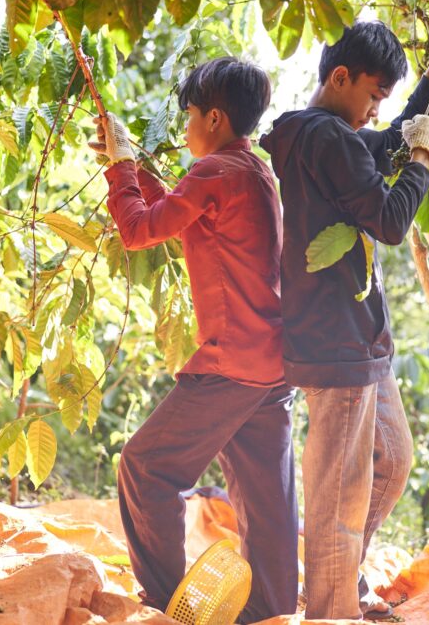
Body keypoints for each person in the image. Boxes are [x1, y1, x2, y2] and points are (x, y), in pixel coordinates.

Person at [258, 16, 429, 621]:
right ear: (341, 76)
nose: (378, 111)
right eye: (374, 96)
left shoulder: (329, 135)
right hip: (337, 344)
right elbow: (391, 220)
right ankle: (330, 608)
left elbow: (389, 141)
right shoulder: (324, 139)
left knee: (390, 463)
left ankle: (335, 580)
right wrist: (425, 162)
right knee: (338, 498)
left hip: (358, 341)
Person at [89, 57, 298, 623]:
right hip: (271, 363)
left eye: (188, 116)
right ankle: (271, 611)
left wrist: (122, 169)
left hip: (231, 362)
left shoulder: (216, 173)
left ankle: (166, 604)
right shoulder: (250, 171)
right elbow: (176, 210)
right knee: (266, 501)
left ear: (213, 116)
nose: (184, 129)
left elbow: (138, 229)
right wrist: (126, 166)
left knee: (146, 468)